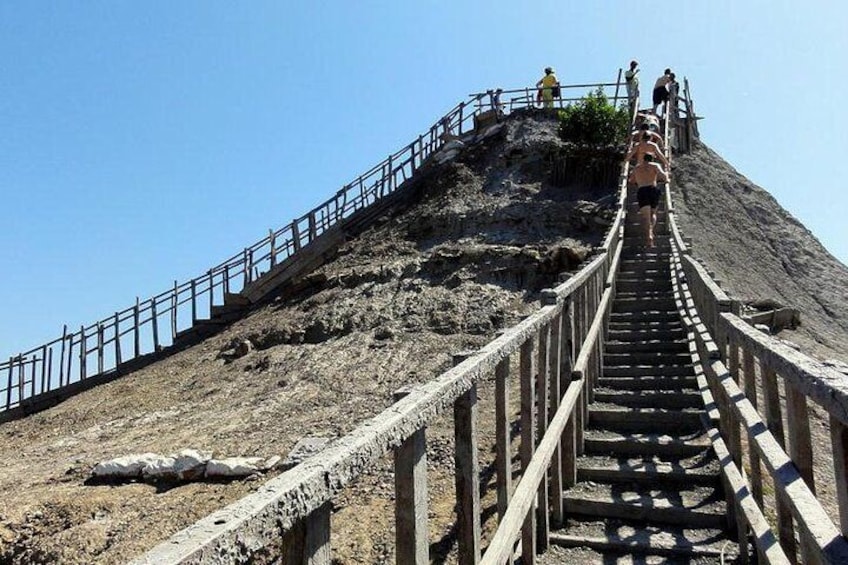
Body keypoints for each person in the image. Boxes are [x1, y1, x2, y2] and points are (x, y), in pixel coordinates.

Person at [628, 153, 669, 248]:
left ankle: (649, 235)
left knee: (646, 216)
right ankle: (651, 230)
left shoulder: (637, 168)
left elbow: (631, 180)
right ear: (652, 159)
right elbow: (663, 176)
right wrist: (667, 179)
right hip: (653, 189)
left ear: (643, 159)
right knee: (653, 214)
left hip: (642, 190)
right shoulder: (655, 165)